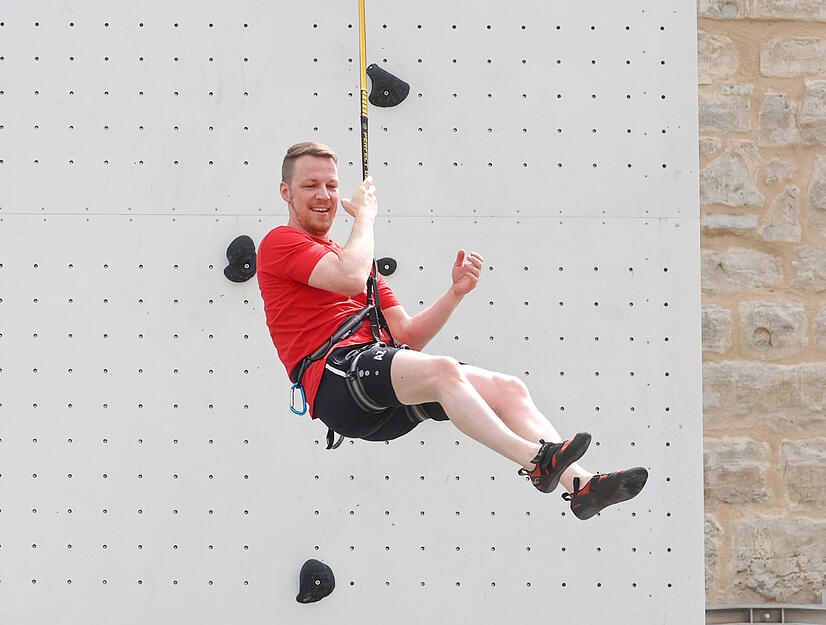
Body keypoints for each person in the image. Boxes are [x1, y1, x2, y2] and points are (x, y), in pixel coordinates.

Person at [257, 141, 648, 520]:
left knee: (508, 389)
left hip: (375, 388)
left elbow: (406, 338)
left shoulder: (358, 261)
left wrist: (455, 294)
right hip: (336, 383)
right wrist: (365, 219)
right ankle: (535, 460)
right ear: (285, 192)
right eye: (310, 185)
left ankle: (580, 487)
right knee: (444, 370)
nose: (323, 194)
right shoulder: (281, 242)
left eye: (331, 185)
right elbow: (348, 278)